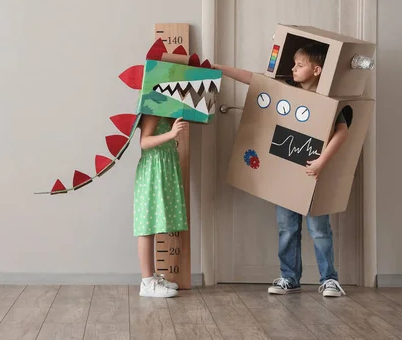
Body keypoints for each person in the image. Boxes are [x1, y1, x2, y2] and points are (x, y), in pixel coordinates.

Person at [213, 42, 349, 297]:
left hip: (313, 174)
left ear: (317, 70)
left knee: (319, 229)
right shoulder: (286, 89)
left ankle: (329, 279)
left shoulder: (328, 99)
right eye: (294, 64)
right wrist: (218, 67)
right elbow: (253, 79)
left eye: (300, 65)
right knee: (287, 228)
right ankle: (289, 277)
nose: (293, 69)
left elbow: (342, 131)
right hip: (284, 175)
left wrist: (321, 162)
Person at [134, 114, 189, 297]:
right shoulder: (154, 108)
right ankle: (147, 283)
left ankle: (152, 277)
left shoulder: (165, 108)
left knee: (154, 224)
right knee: (147, 227)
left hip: (162, 167)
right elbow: (145, 142)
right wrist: (172, 134)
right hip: (153, 170)